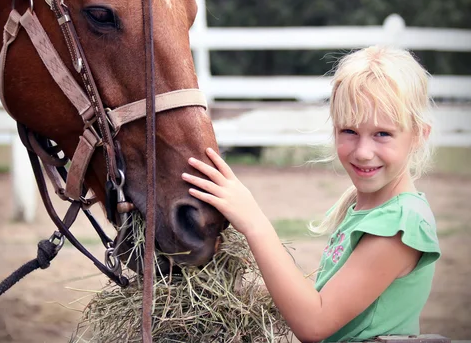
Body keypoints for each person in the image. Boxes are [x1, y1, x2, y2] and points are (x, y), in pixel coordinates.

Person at [182, 45, 441, 343]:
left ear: (420, 135)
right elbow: (323, 297)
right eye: (349, 132)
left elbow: (314, 323)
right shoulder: (370, 210)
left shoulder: (399, 225)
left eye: (383, 134)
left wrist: (254, 223)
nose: (363, 152)